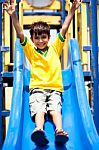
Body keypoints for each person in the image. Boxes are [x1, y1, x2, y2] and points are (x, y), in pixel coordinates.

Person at [3, 0, 82, 146]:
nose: (40, 40)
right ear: (32, 39)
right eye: (37, 38)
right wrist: (13, 15)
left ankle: (59, 130)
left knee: (55, 109)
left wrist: (71, 11)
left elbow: (64, 28)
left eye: (43, 37)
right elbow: (20, 33)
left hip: (55, 89)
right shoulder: (31, 51)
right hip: (37, 88)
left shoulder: (55, 48)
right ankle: (38, 130)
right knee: (39, 109)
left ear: (49, 37)